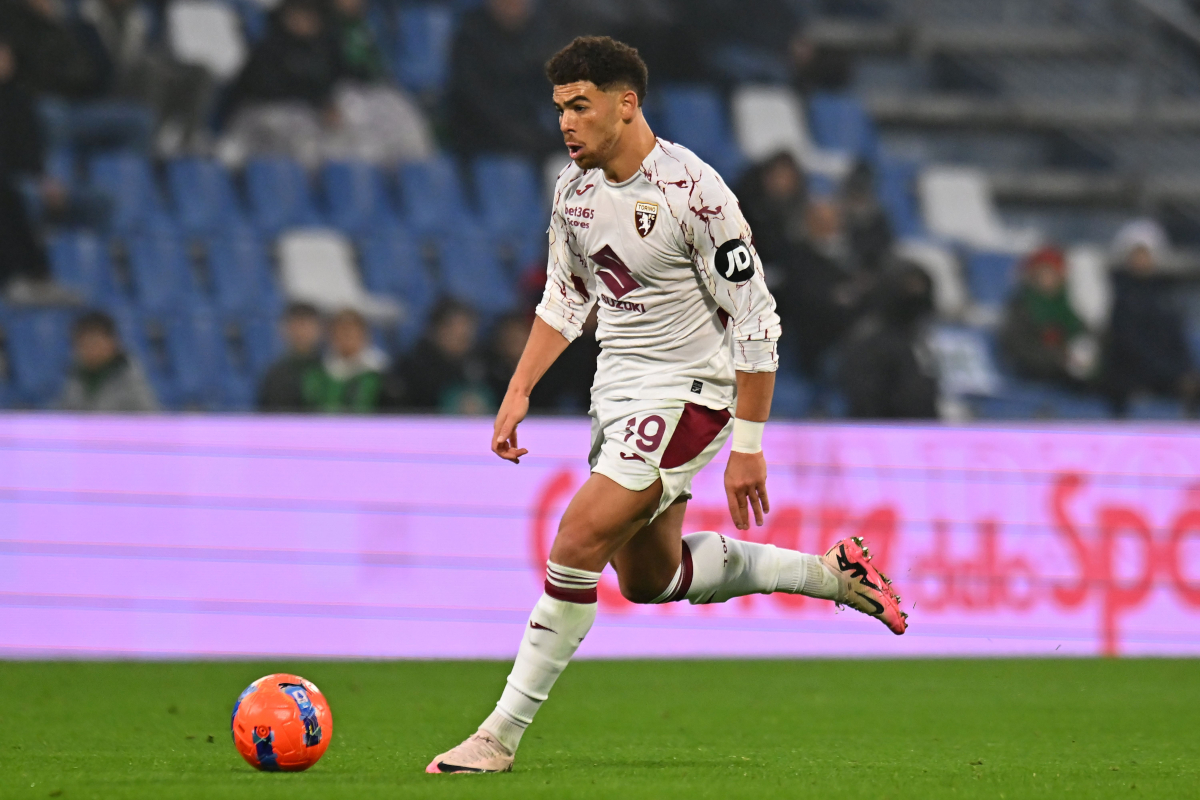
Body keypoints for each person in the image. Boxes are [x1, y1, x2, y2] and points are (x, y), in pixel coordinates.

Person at [427, 36, 906, 776]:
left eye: (580, 106)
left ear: (627, 105)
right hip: (617, 394)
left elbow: (756, 320)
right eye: (559, 108)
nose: (566, 123)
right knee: (648, 579)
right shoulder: (574, 191)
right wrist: (519, 388)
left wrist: (747, 444)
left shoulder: (696, 193)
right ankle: (832, 573)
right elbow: (567, 295)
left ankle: (497, 735)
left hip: (692, 394)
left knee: (577, 539)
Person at [78, 0, 215, 154]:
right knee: (150, 68)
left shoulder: (141, 18)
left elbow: (160, 52)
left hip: (144, 82)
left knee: (201, 72)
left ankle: (187, 141)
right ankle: (149, 142)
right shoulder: (85, 19)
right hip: (107, 89)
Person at [444, 0, 564, 157]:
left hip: (534, 135)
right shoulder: (470, 34)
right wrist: (523, 134)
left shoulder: (540, 32)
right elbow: (474, 98)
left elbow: (549, 86)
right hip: (483, 140)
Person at [1104, 220, 1200, 416]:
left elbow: (1176, 339)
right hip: (1135, 379)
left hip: (1167, 375)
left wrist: (1185, 371)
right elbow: (1130, 346)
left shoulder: (1165, 295)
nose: (1142, 260)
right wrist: (1175, 374)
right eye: (1136, 254)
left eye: (1146, 254)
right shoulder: (1120, 295)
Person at [838, 263, 939, 419]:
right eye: (910, 288)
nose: (916, 296)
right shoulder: (870, 340)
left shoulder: (920, 339)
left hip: (921, 429)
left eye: (921, 289)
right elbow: (865, 400)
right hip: (882, 430)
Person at [999, 247, 1099, 390]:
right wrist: (1057, 358)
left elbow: (1082, 333)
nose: (1047, 279)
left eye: (1052, 274)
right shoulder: (1021, 306)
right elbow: (1018, 347)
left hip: (1066, 375)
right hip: (1032, 376)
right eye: (1042, 273)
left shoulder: (1066, 307)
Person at [397, 298, 492, 413]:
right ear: (437, 329)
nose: (464, 336)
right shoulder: (412, 369)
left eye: (467, 333)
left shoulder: (479, 364)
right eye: (457, 332)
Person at [55, 309, 158, 411]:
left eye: (95, 342)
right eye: (84, 344)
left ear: (113, 342)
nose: (90, 349)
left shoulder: (131, 381)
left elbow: (151, 421)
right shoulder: (72, 380)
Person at [303, 307, 393, 413]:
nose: (347, 336)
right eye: (341, 330)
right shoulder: (316, 374)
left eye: (352, 331)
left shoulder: (381, 375)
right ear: (331, 336)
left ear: (365, 335)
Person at [257, 302, 323, 412]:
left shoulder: (331, 370)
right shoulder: (275, 374)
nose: (301, 333)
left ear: (319, 330)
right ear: (285, 329)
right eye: (296, 325)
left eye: (306, 325)